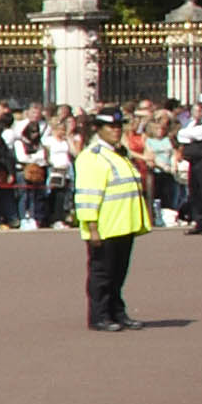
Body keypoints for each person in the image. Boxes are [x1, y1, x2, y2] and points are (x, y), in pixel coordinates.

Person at [73, 108, 153, 330]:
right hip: (105, 226)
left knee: (118, 273)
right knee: (102, 274)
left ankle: (117, 312)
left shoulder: (118, 153)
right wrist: (92, 227)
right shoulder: (92, 156)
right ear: (98, 129)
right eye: (110, 127)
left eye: (119, 127)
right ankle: (99, 316)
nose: (116, 131)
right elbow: (87, 195)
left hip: (124, 224)